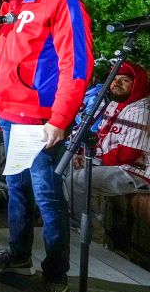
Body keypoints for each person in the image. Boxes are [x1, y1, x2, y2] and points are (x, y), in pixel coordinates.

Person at [0, 0, 93, 292]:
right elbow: (6, 53)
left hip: (39, 119)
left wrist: (59, 119)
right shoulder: (15, 5)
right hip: (12, 115)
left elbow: (75, 65)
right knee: (18, 190)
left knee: (46, 196)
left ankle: (57, 279)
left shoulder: (61, 3)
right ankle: (19, 256)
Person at [63, 62, 150, 235]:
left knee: (78, 180)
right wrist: (85, 155)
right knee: (64, 165)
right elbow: (101, 136)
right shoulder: (115, 103)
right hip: (113, 163)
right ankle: (69, 219)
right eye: (114, 79)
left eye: (124, 80)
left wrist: (93, 159)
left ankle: (89, 231)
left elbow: (129, 154)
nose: (116, 84)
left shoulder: (142, 110)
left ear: (136, 84)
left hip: (137, 171)